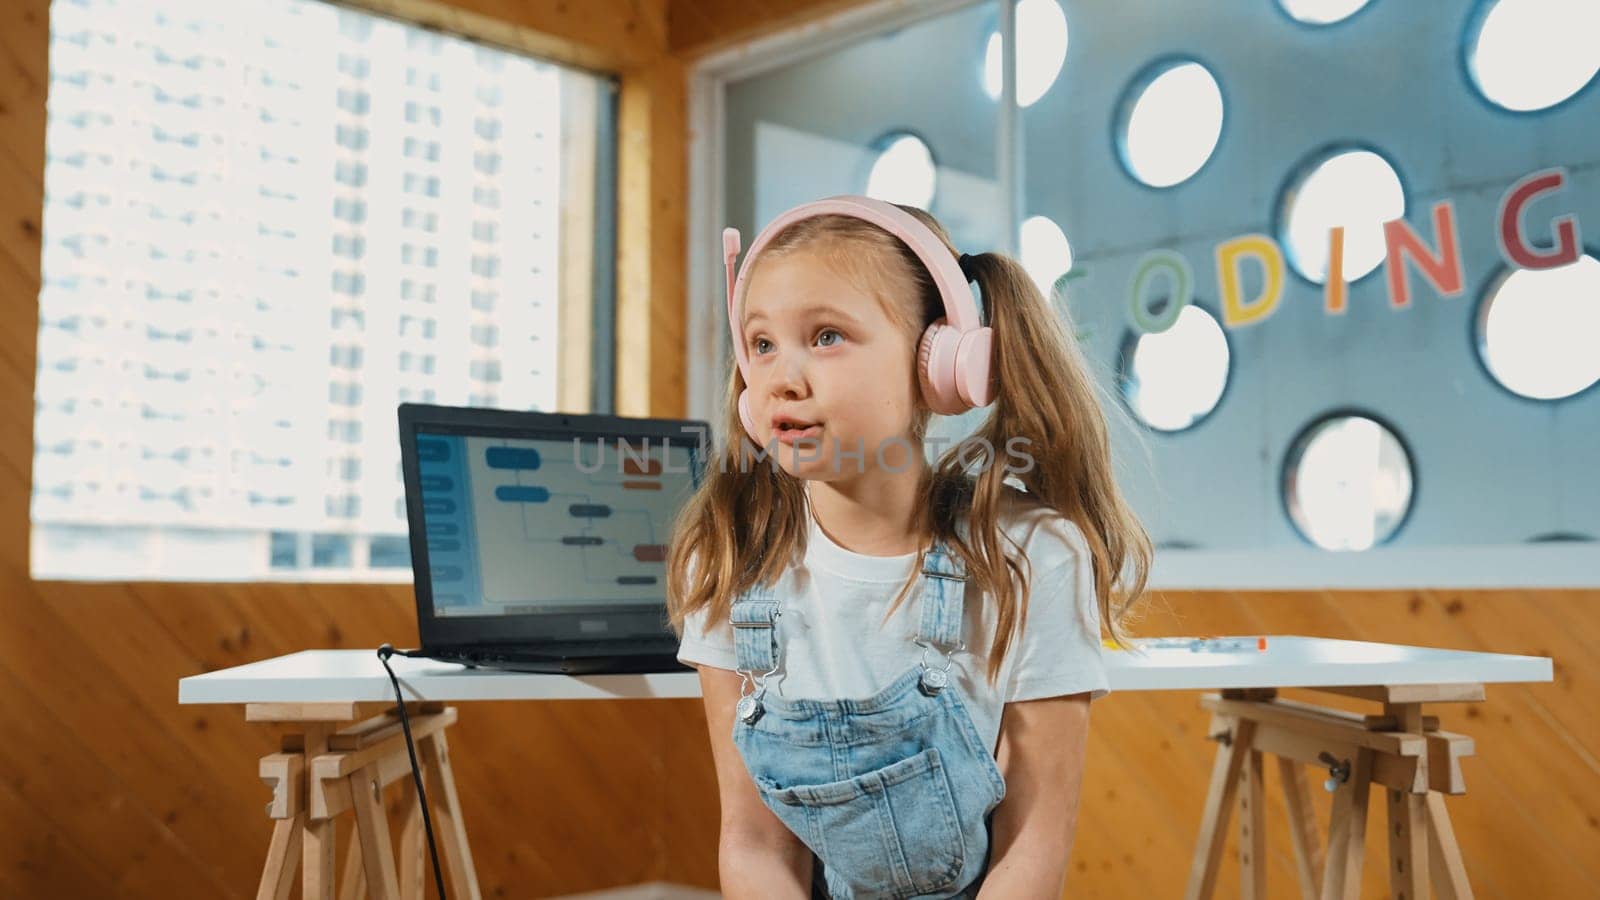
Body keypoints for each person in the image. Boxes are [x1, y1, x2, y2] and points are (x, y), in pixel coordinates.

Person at [666, 194, 1151, 899]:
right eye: (762, 344)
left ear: (942, 364)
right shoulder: (728, 560)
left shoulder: (1035, 556)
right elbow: (754, 844)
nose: (780, 377)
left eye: (827, 335)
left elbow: (1034, 843)